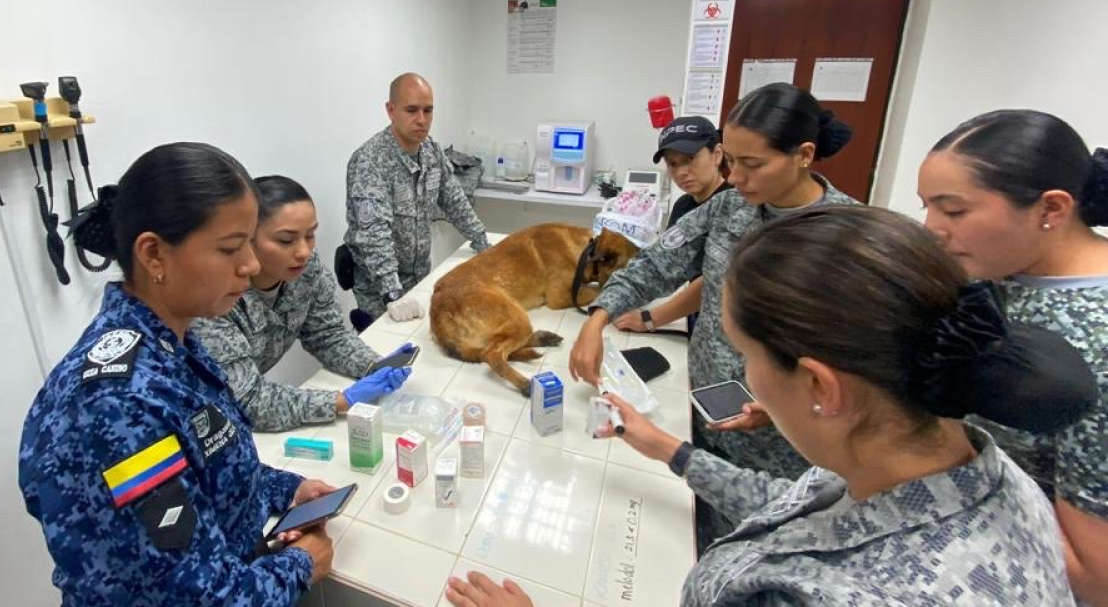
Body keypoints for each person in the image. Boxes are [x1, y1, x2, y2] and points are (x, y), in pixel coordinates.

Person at [448, 206, 1081, 607]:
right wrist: (671, 449)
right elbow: (800, 507)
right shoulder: (965, 468)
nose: (742, 374)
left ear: (819, 387)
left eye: (745, 354)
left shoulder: (821, 595)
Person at [19, 143, 337, 606]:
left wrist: (286, 489)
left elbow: (208, 467)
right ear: (153, 255)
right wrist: (301, 564)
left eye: (250, 243)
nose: (250, 265)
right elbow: (193, 595)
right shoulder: (118, 402)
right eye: (231, 248)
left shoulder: (175, 345)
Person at [570, 83, 856, 483]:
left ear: (804, 155)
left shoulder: (850, 237)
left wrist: (785, 409)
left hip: (779, 442)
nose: (735, 177)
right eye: (733, 160)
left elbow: (858, 364)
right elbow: (657, 263)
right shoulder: (729, 205)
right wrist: (598, 317)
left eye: (752, 164)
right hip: (702, 406)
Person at [919, 109, 1108, 605]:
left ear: (1051, 209)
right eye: (928, 208)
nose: (931, 229)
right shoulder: (998, 275)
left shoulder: (1096, 339)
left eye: (953, 211)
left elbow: (1094, 575)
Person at [194, 175, 413, 432]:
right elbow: (246, 401)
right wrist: (343, 400)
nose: (303, 251)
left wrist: (374, 367)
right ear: (246, 239)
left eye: (310, 235)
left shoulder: (305, 269)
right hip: (198, 426)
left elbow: (327, 335)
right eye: (286, 240)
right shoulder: (214, 297)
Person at [345, 72, 489, 321]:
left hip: (421, 279)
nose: (421, 120)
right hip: (380, 294)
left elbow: (454, 200)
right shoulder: (370, 161)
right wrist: (392, 294)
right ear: (391, 110)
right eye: (411, 110)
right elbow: (374, 235)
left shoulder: (431, 151)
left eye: (428, 110)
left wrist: (482, 242)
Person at [613, 115, 731, 334]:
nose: (681, 172)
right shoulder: (684, 205)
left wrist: (650, 319)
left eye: (690, 159)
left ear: (717, 154)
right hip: (699, 319)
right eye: (673, 164)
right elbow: (666, 264)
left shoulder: (734, 207)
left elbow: (715, 282)